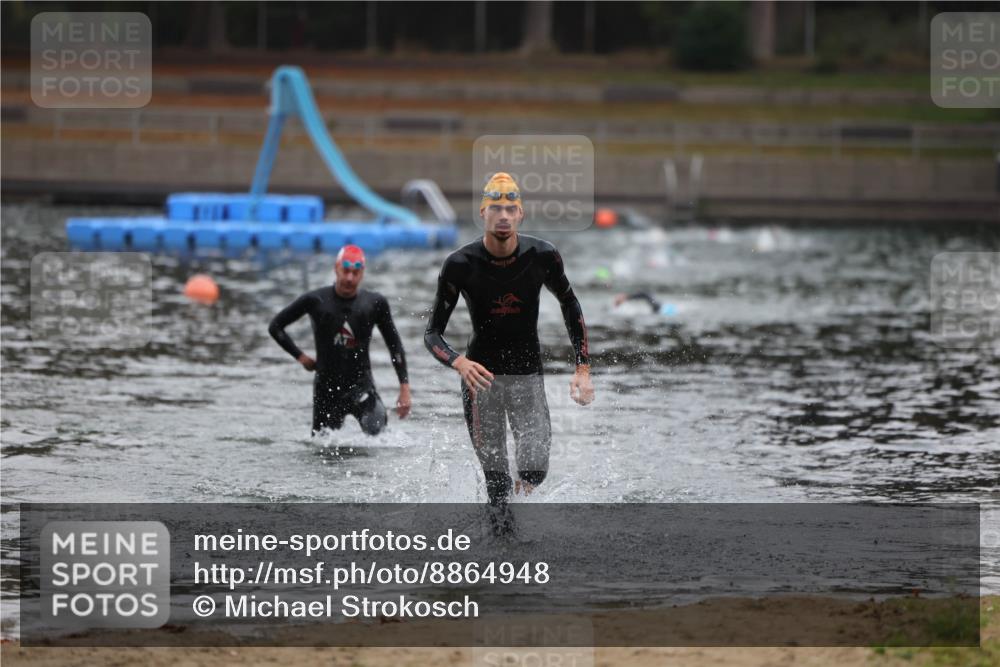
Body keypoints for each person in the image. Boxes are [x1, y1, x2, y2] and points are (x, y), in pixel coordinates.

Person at [424, 172, 594, 532]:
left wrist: (582, 368)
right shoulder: (460, 264)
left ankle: (515, 530)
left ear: (521, 215)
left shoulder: (542, 256)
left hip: (527, 376)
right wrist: (459, 362)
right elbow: (432, 334)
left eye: (510, 208)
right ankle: (501, 563)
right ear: (482, 213)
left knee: (535, 470)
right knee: (497, 485)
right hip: (480, 382)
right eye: (495, 208)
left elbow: (570, 304)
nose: (503, 215)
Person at [269, 245, 411, 436]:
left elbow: (394, 345)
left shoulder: (375, 303)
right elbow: (276, 326)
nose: (350, 278)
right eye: (345, 271)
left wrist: (404, 388)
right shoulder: (316, 300)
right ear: (336, 268)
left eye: (355, 272)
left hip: (362, 388)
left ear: (362, 273)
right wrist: (301, 357)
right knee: (322, 449)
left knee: (379, 440)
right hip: (326, 391)